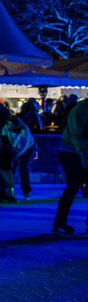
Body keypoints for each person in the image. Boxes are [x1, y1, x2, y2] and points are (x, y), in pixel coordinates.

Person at [53, 96, 88, 234]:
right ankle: (60, 222)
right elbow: (76, 134)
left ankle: (60, 222)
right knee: (73, 185)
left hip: (81, 151)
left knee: (74, 186)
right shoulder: (81, 110)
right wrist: (83, 153)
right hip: (71, 152)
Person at [2, 116, 35, 199]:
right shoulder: (5, 128)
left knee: (22, 167)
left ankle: (26, 191)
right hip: (13, 148)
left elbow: (23, 146)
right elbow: (4, 141)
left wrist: (16, 157)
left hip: (27, 148)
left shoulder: (25, 130)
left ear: (17, 124)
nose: (10, 126)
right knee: (10, 168)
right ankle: (7, 189)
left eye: (12, 124)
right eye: (9, 124)